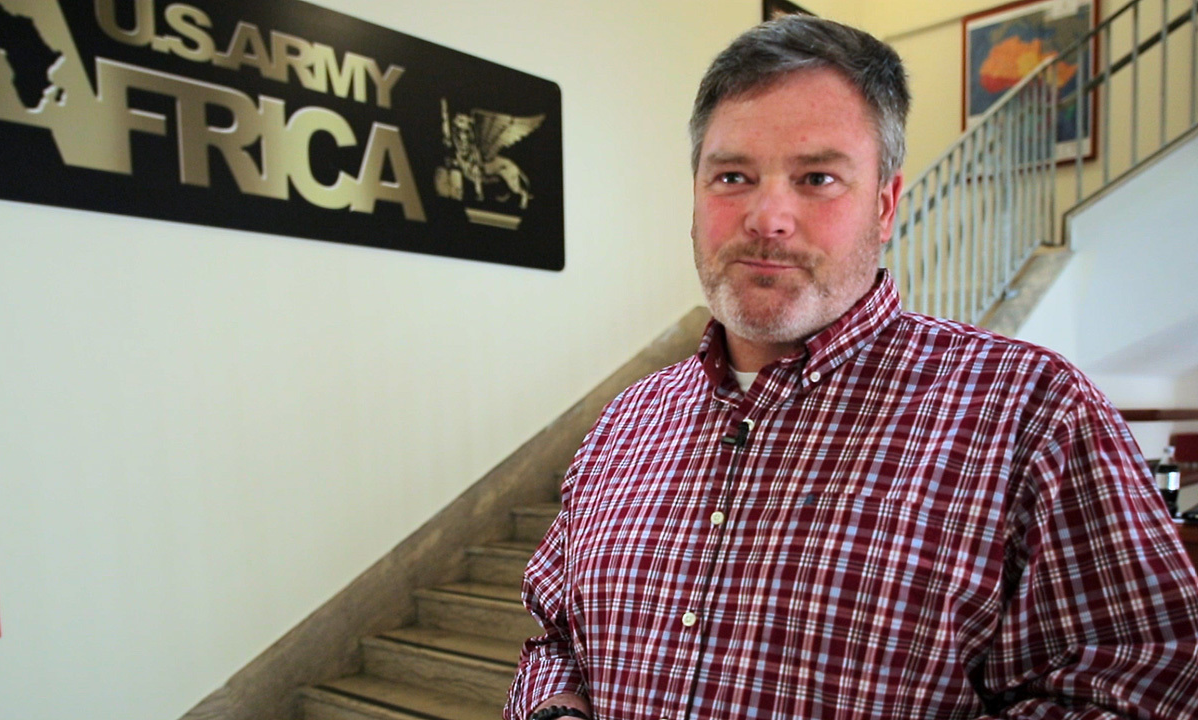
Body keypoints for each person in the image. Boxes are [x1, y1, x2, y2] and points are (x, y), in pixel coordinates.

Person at [505, 15, 1198, 720]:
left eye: (817, 178)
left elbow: (1142, 692)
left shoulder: (1034, 414)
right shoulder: (625, 423)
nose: (767, 217)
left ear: (885, 206)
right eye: (733, 176)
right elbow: (556, 639)